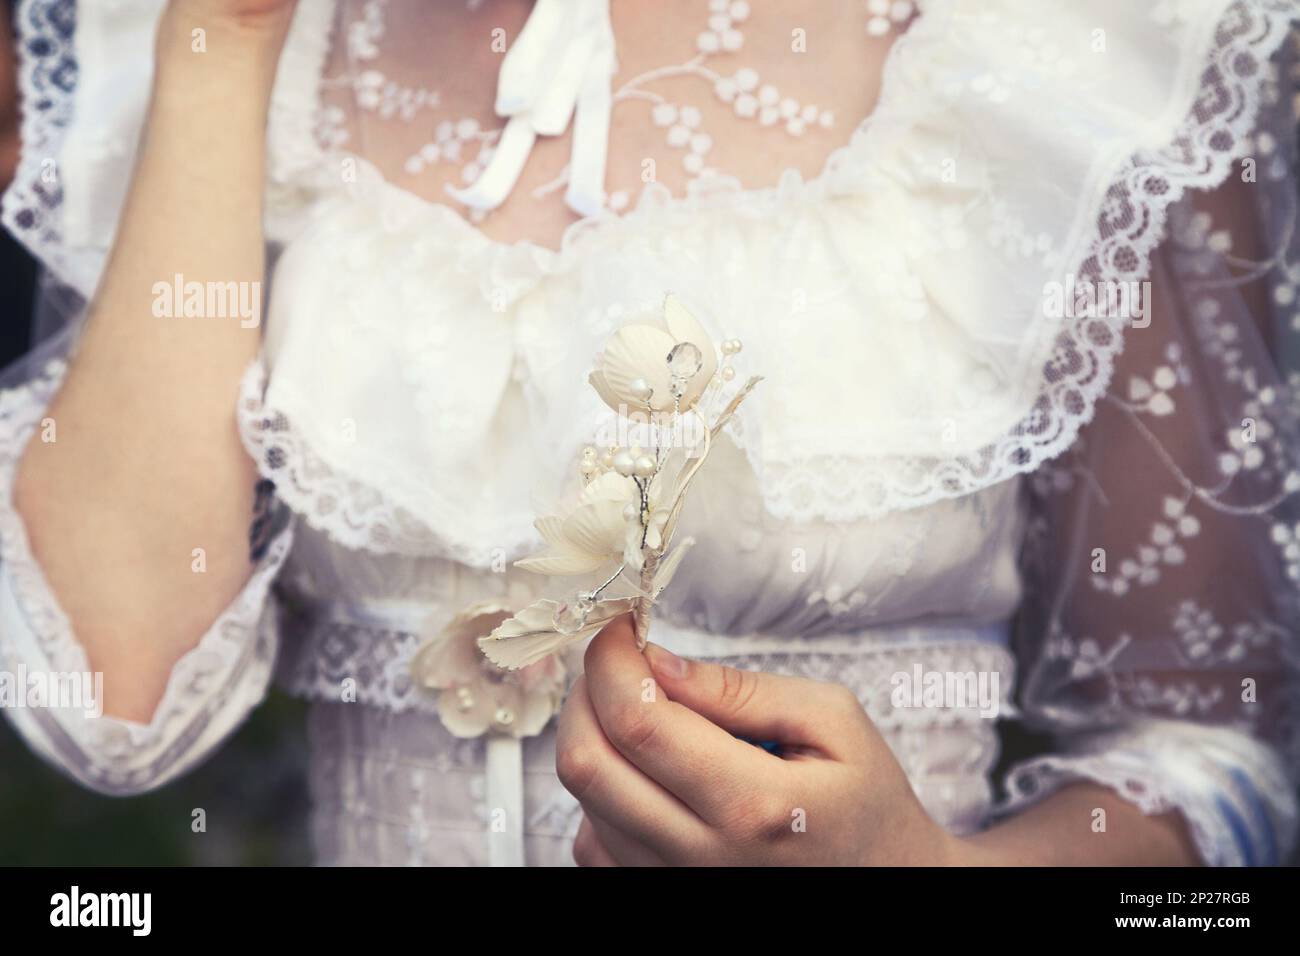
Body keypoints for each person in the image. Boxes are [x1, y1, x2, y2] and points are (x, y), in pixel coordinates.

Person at [1, 0, 1297, 866]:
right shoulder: (238, 39)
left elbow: (1226, 778)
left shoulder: (1072, 47)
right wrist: (223, 40)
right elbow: (119, 706)